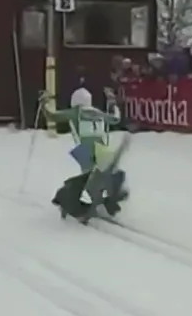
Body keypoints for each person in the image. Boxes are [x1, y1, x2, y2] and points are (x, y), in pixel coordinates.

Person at [39, 86, 130, 225]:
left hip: (84, 149)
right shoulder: (98, 112)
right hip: (102, 149)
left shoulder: (76, 112)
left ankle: (88, 205)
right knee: (101, 176)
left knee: (88, 177)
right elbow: (116, 119)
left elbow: (52, 116)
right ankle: (106, 199)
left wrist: (44, 102)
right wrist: (112, 103)